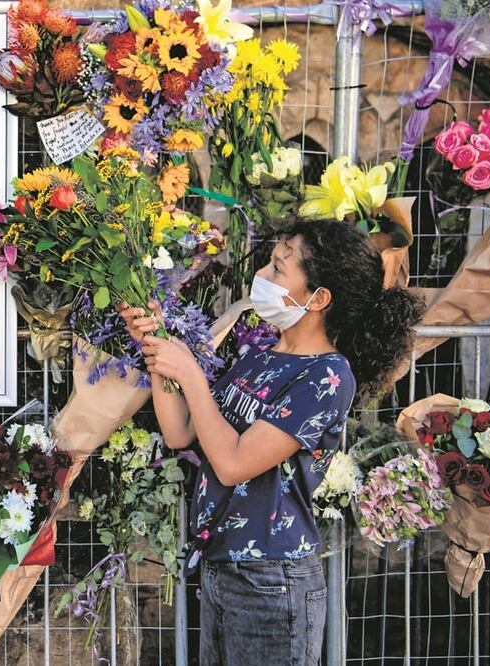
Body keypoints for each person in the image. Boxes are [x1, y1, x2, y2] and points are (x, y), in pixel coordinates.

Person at [119, 219, 424, 666]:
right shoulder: (261, 352)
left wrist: (190, 374)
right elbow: (182, 431)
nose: (263, 275)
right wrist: (158, 347)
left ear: (318, 298)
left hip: (272, 580)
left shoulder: (326, 376)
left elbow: (233, 463)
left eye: (279, 269)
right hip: (224, 567)